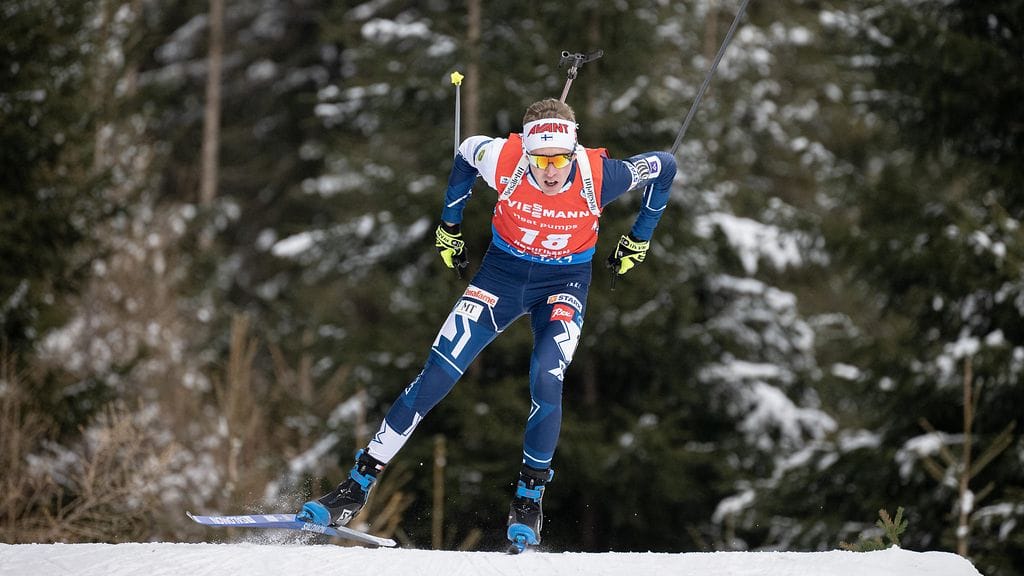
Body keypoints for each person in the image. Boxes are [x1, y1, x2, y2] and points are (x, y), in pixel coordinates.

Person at [298, 98, 676, 549]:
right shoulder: (503, 160)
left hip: (565, 283)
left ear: (574, 151)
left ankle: (528, 502)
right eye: (541, 160)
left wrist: (639, 238)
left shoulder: (601, 175)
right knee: (435, 375)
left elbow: (666, 165)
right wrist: (449, 226)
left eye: (560, 160)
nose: (551, 171)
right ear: (527, 153)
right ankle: (352, 489)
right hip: (502, 276)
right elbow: (464, 151)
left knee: (546, 377)